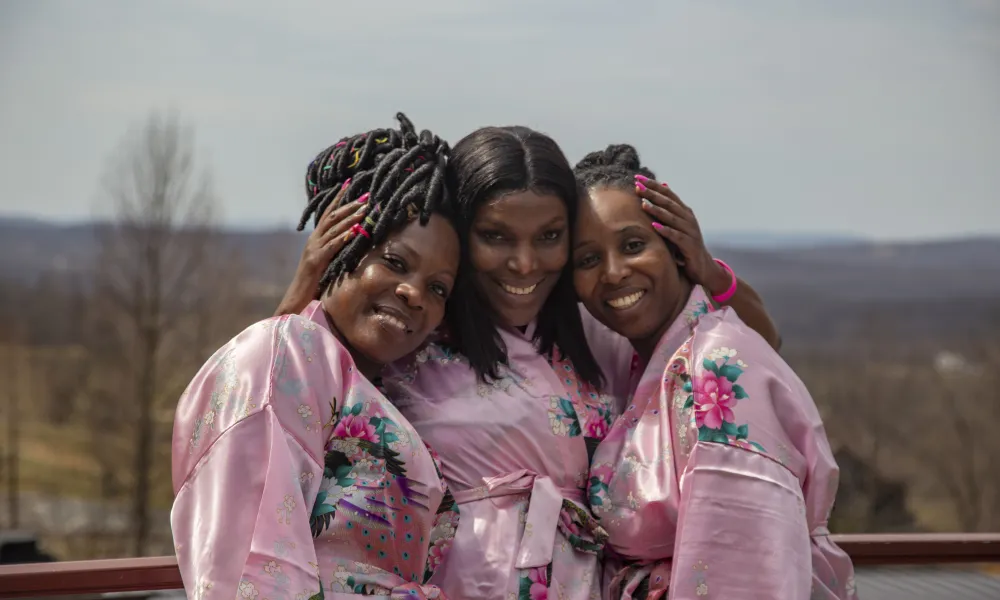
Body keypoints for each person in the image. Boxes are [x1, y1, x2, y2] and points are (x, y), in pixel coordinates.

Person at [275, 125, 781, 599]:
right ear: (462, 235)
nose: (524, 263)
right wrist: (307, 283)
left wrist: (706, 270)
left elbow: (747, 354)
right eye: (496, 236)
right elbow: (281, 388)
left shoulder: (598, 340)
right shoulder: (415, 333)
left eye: (549, 236)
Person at [170, 113, 463, 599]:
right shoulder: (283, 357)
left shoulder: (382, 389)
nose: (414, 293)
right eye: (393, 261)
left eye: (438, 287)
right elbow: (253, 567)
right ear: (336, 248)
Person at [572, 145, 857, 599]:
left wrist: (711, 269)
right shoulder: (630, 355)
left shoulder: (718, 371)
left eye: (633, 245)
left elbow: (741, 576)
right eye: (587, 260)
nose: (612, 272)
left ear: (676, 246)